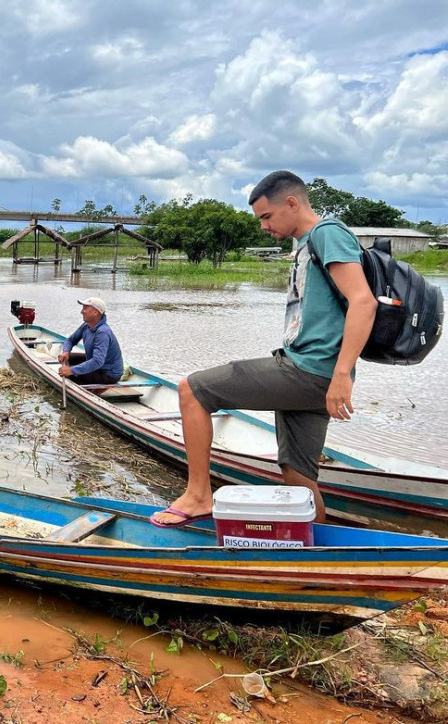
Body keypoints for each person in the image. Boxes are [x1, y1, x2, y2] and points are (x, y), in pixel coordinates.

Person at [150, 170, 376, 528]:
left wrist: (342, 375)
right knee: (297, 475)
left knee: (192, 390)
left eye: (266, 217)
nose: (263, 226)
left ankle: (198, 495)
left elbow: (363, 302)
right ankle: (313, 548)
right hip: (309, 373)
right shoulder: (304, 244)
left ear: (292, 203)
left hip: (308, 371)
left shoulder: (327, 233)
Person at [57, 297, 124, 385]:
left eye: (85, 308)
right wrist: (66, 351)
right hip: (98, 365)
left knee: (71, 374)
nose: (81, 312)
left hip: (108, 374)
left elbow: (97, 361)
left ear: (95, 312)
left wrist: (72, 370)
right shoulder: (86, 325)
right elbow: (70, 340)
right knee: (70, 358)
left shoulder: (102, 332)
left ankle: (92, 389)